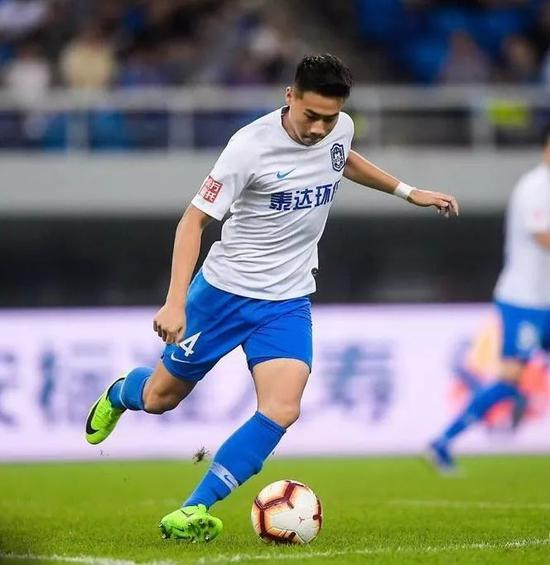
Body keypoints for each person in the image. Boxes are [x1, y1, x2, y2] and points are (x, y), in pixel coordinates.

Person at [85, 53, 459, 542]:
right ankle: (121, 392)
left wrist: (409, 192)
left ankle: (193, 509)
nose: (319, 129)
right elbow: (192, 221)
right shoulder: (248, 148)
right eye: (311, 116)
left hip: (287, 301)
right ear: (289, 96)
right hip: (222, 296)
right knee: (160, 398)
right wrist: (175, 302)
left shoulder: (339, 129)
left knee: (283, 408)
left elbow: (342, 159)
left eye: (329, 119)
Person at [429, 126, 550, 473]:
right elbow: (542, 236)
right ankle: (443, 441)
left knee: (512, 377)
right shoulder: (536, 186)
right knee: (510, 377)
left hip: (544, 299)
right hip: (525, 300)